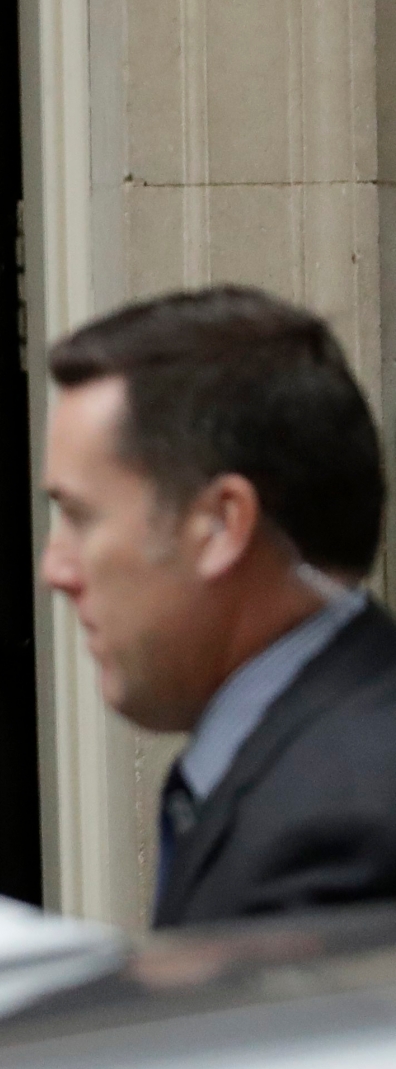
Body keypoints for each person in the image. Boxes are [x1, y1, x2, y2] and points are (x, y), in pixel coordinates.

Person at [41, 285, 396, 928]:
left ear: (221, 525)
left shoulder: (341, 823)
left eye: (79, 517)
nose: (55, 570)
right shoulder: (330, 738)